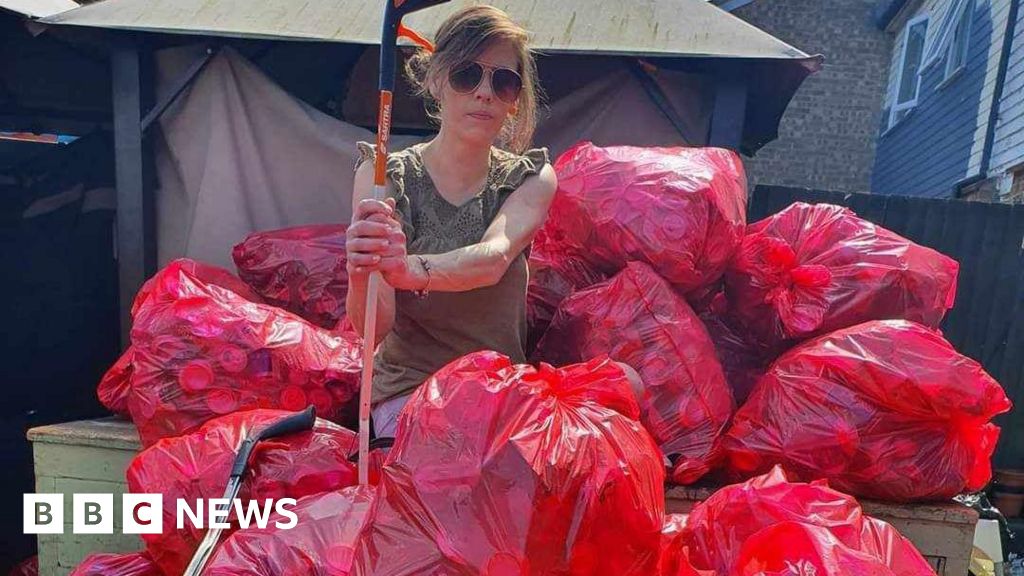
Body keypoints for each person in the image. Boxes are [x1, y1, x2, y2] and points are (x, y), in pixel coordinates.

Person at [345, 5, 640, 438]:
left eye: (503, 81)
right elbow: (374, 327)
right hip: (411, 390)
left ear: (514, 101)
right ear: (435, 79)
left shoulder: (530, 176)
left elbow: (493, 258)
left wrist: (405, 268)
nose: (485, 92)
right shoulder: (383, 173)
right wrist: (361, 271)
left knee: (625, 383)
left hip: (498, 391)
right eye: (468, 75)